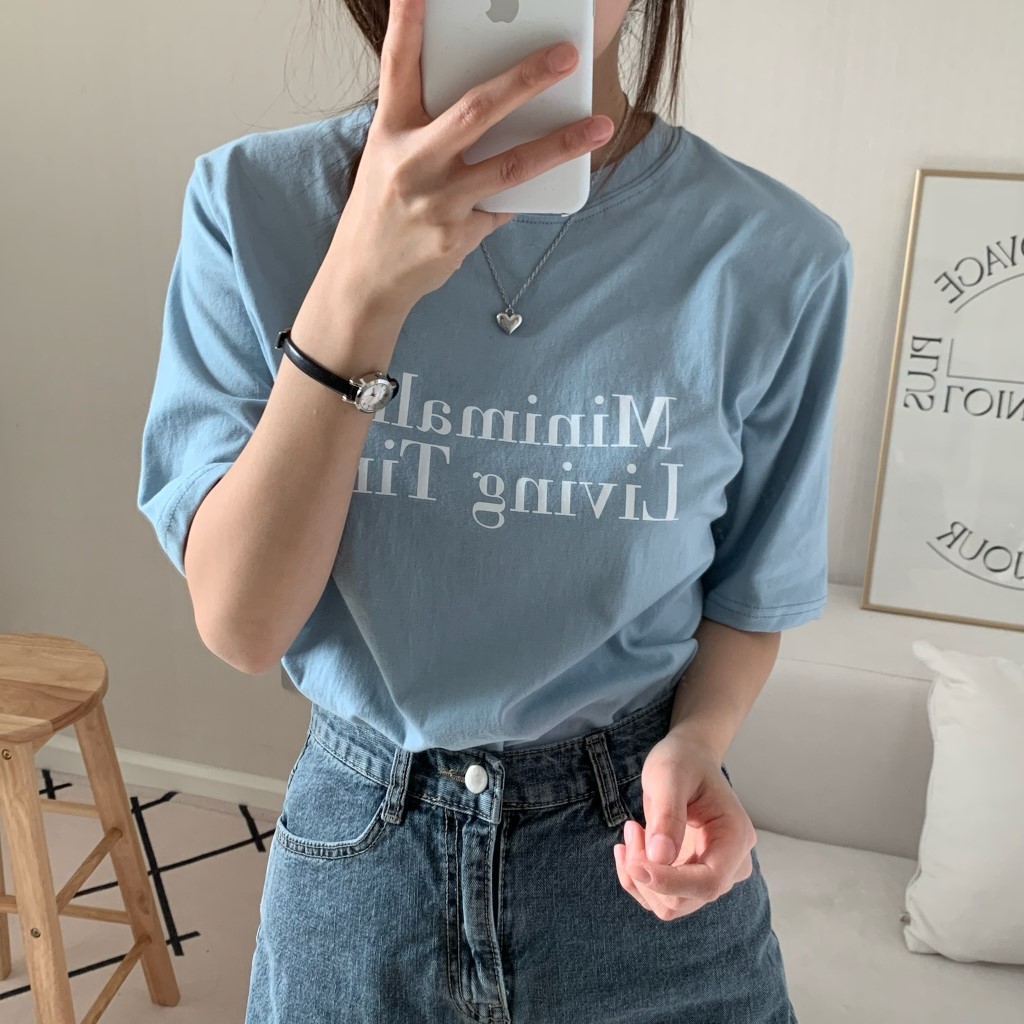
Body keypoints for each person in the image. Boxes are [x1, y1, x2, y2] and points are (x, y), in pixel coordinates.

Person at [137, 0, 853, 1020]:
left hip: (635, 861)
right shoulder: (254, 202)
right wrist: (359, 288)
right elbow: (244, 625)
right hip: (364, 859)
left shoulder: (775, 255)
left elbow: (749, 597)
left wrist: (698, 742)